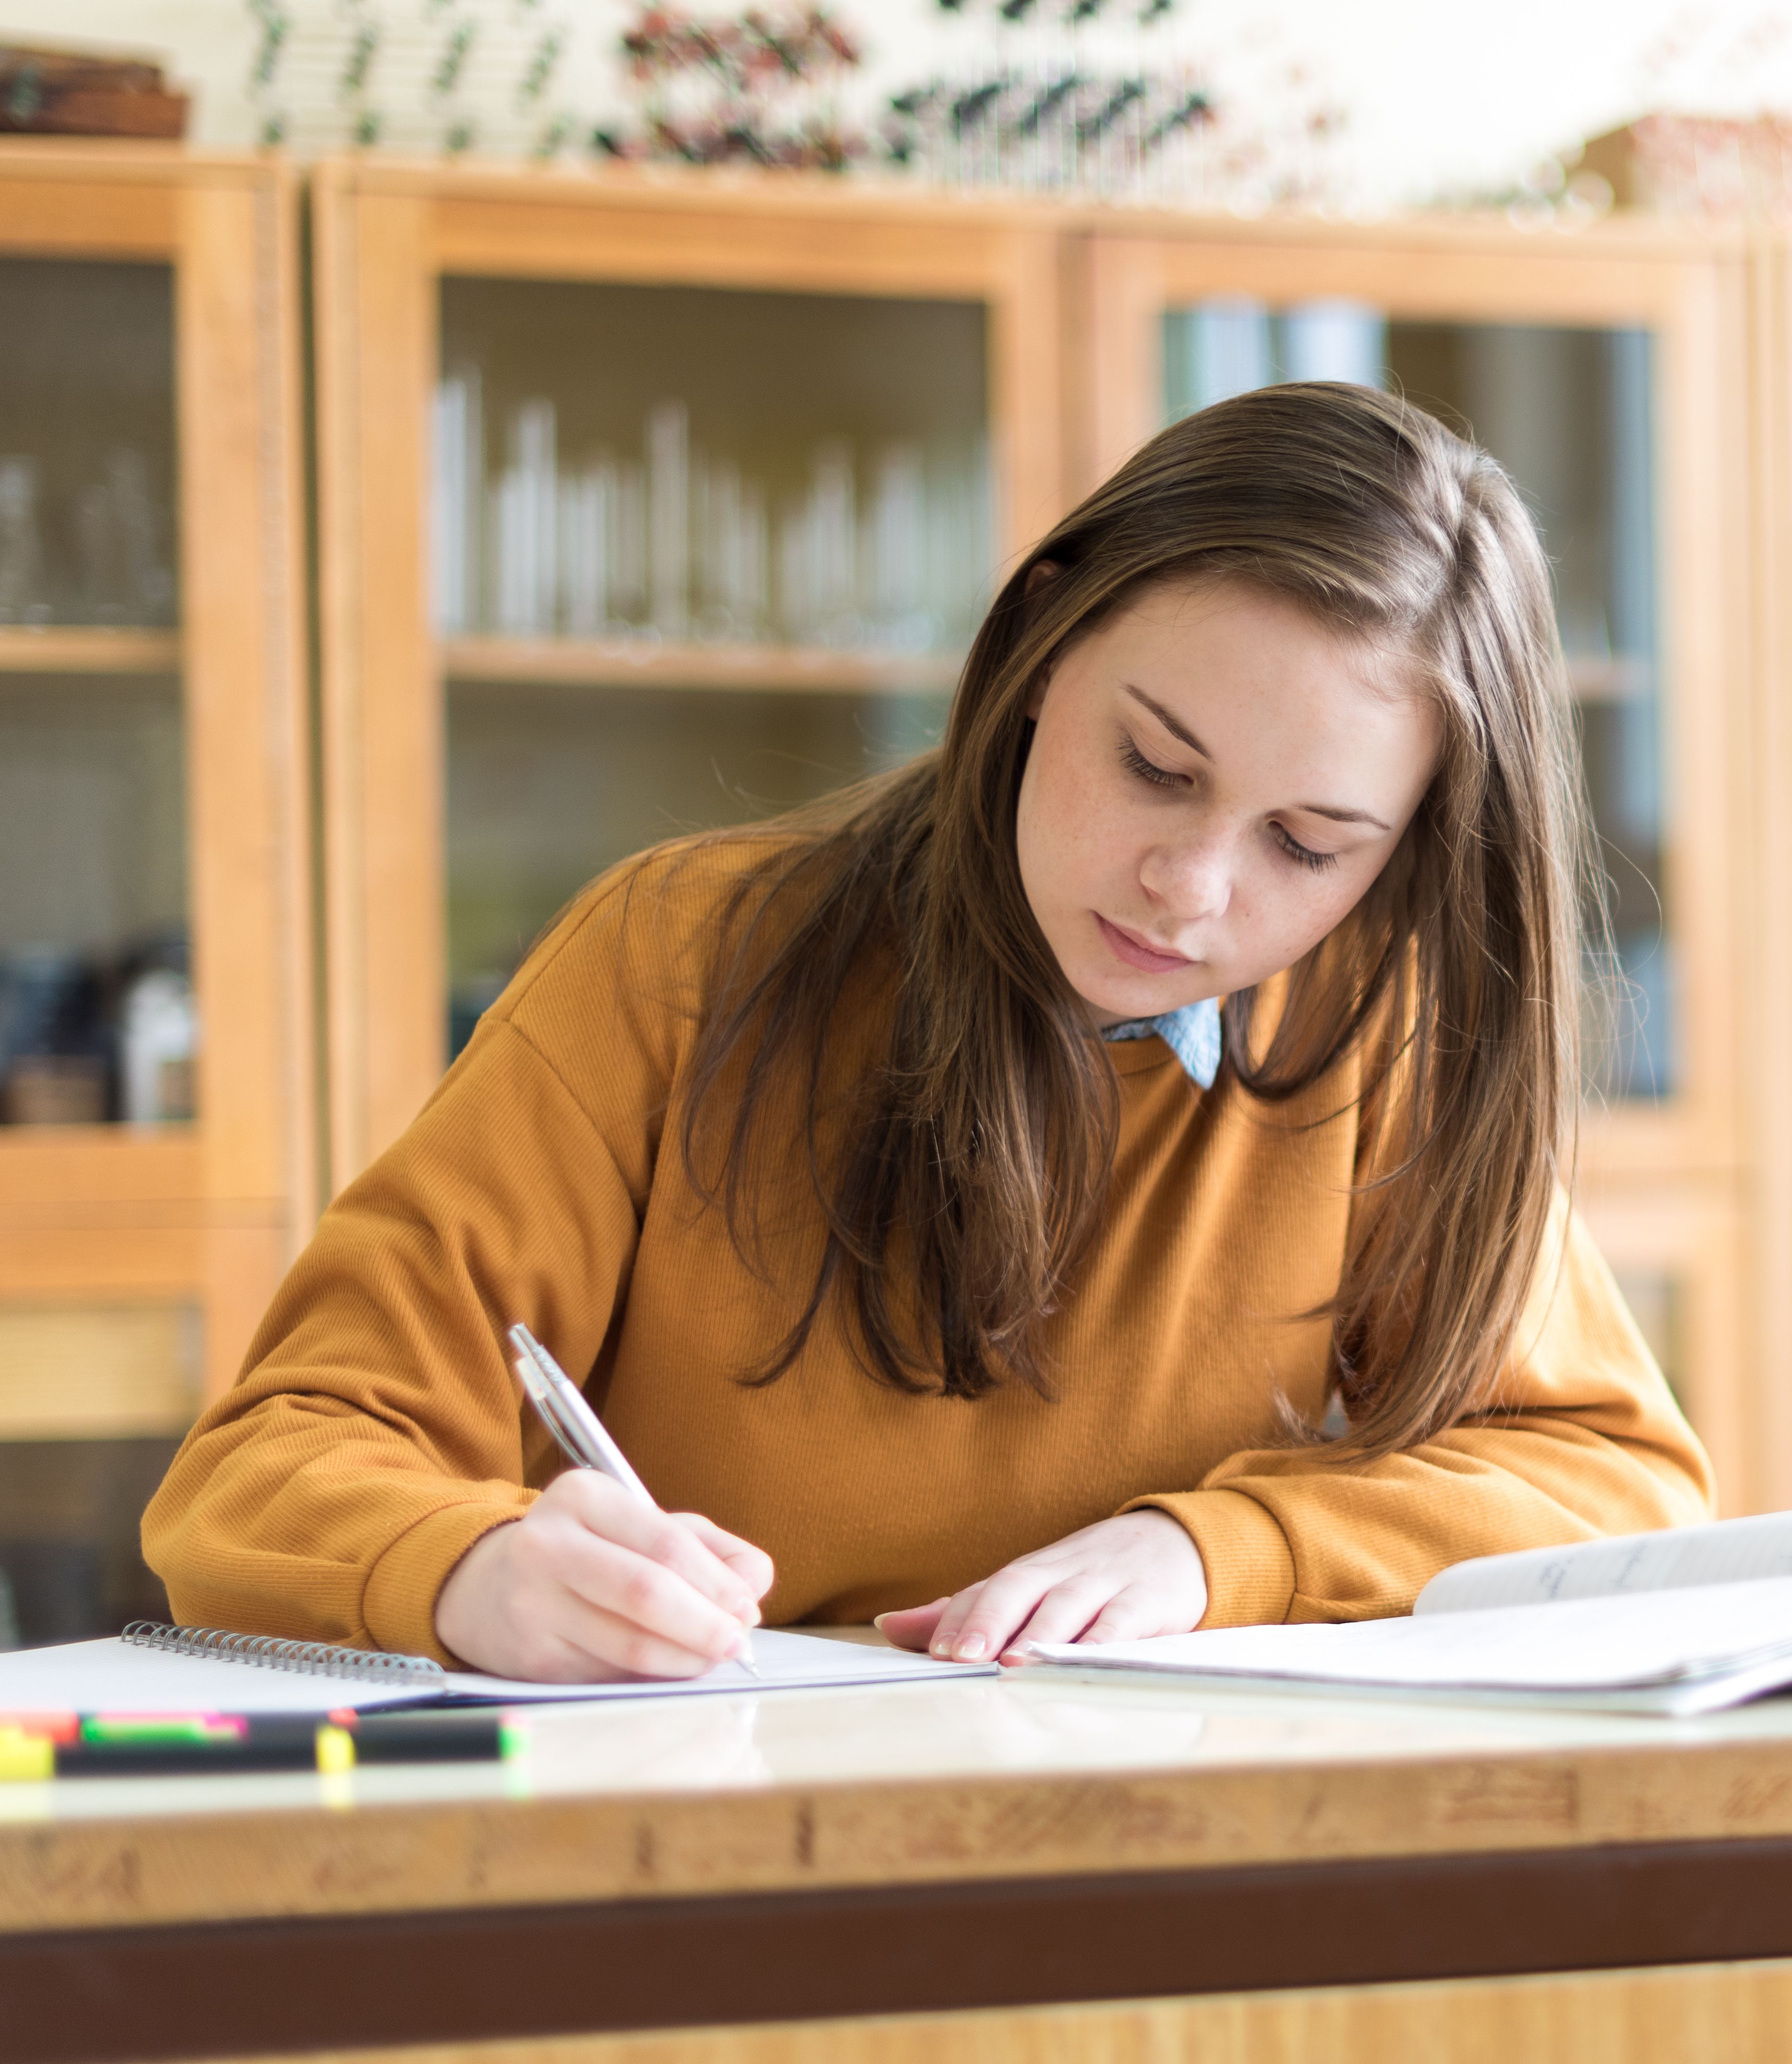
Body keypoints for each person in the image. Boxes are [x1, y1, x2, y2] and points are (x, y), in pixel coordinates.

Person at [142, 382, 1712, 1681]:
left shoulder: (1374, 1029)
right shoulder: (675, 961)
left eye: (1310, 846)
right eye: (1155, 765)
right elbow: (261, 1466)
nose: (1191, 887)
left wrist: (1216, 1551)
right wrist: (469, 1569)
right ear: (1040, 646)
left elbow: (1615, 1484)